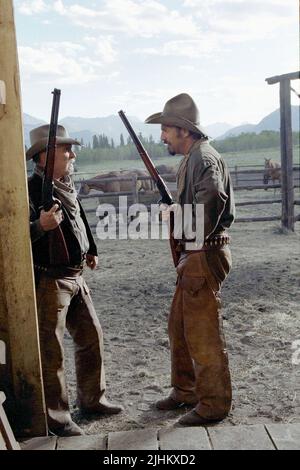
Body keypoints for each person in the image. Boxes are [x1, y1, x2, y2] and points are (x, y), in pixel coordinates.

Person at [27, 124, 123, 437]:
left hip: (75, 275)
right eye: (65, 149)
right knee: (51, 351)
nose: (72, 154)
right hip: (49, 279)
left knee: (91, 336)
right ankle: (58, 418)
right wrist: (40, 226)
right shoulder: (27, 189)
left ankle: (93, 400)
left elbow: (79, 219)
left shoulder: (65, 185)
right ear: (43, 157)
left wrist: (91, 249)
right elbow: (13, 236)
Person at [145, 93, 235, 426]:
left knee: (202, 332)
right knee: (179, 326)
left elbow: (211, 201)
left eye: (166, 129)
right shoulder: (194, 157)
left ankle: (213, 404)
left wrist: (179, 218)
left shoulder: (203, 158)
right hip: (195, 254)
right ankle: (186, 391)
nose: (162, 136)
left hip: (204, 253)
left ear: (184, 130)